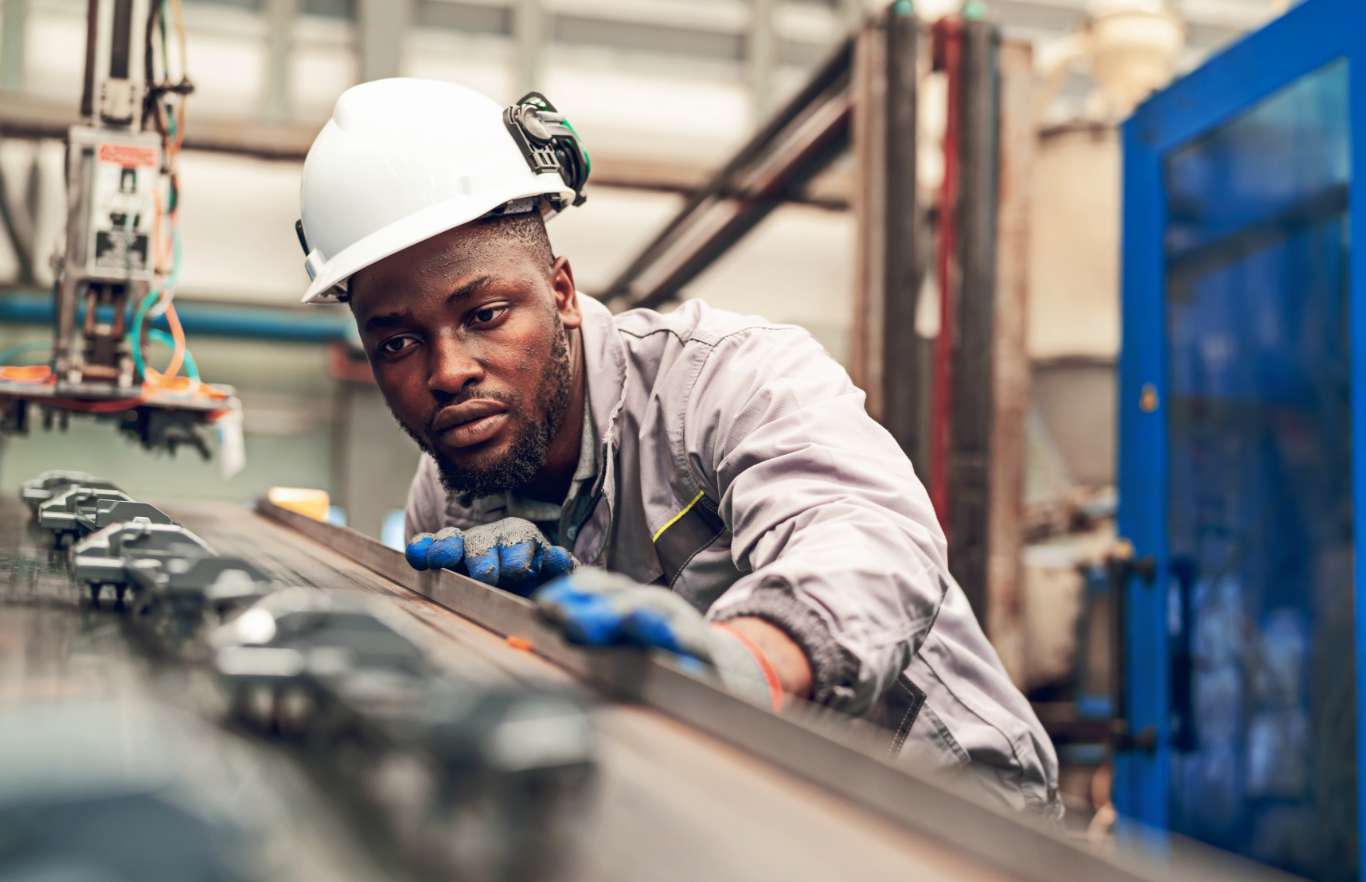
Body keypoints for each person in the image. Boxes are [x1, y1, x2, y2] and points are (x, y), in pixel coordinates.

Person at [295, 78, 1060, 816]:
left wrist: (750, 657)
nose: (448, 371)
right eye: (396, 341)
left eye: (487, 314)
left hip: (944, 800)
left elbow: (868, 535)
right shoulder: (449, 490)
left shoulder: (726, 378)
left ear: (560, 292)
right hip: (730, 804)